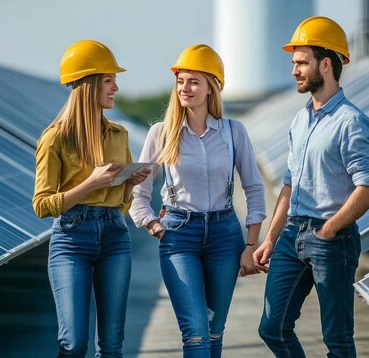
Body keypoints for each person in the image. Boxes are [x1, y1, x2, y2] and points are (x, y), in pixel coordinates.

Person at [254, 17, 369, 358]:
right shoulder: (300, 118)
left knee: (337, 341)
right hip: (292, 234)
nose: (294, 70)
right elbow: (289, 184)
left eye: (301, 62)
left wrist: (328, 230)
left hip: (332, 241)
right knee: (272, 328)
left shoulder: (351, 122)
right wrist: (270, 237)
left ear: (326, 64)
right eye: (294, 63)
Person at [129, 44, 266, 357]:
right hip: (179, 236)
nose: (184, 88)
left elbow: (255, 189)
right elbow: (139, 191)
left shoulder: (234, 132)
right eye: (180, 81)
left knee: (214, 334)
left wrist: (250, 245)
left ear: (211, 87)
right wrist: (152, 225)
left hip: (224, 237)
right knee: (195, 332)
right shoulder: (161, 133)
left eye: (193, 81)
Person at [32, 40, 150, 357]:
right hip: (71, 240)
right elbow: (42, 205)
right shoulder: (54, 137)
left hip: (114, 235)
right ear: (88, 84)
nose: (116, 87)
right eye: (109, 80)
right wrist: (90, 183)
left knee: (111, 346)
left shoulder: (119, 134)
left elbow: (122, 203)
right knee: (73, 344)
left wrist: (131, 182)